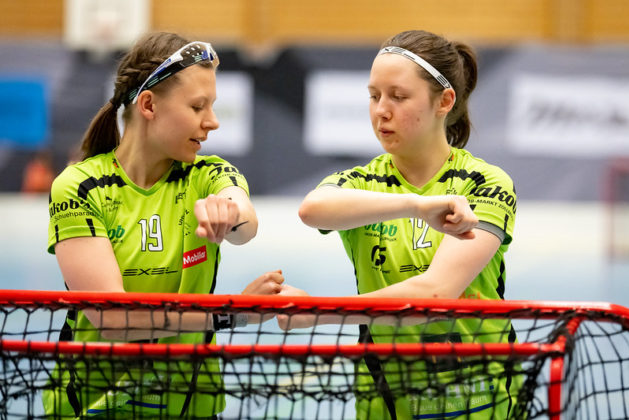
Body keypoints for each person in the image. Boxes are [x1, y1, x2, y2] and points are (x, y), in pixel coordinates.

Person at [44, 32, 285, 418]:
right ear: (149, 104)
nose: (213, 122)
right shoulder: (79, 186)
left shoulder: (207, 174)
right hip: (93, 403)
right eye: (197, 106)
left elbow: (245, 222)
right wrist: (232, 312)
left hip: (189, 403)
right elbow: (112, 317)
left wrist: (232, 213)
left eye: (213, 106)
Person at [283, 30, 521, 419]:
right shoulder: (363, 183)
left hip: (478, 402)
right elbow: (312, 209)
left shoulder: (485, 183)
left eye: (398, 96)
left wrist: (317, 312)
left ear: (444, 101)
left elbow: (437, 293)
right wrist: (417, 205)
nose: (381, 110)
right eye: (374, 95)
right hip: (385, 401)